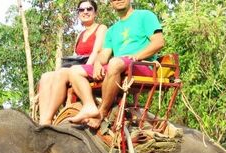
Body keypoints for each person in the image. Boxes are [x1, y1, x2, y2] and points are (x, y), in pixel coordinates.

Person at [67, 0, 164, 128]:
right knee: (74, 70)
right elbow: (104, 54)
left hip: (142, 64)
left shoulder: (145, 16)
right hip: (118, 65)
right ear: (111, 3)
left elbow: (158, 42)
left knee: (114, 62)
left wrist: (137, 57)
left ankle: (102, 113)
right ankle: (89, 105)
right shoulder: (112, 30)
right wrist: (97, 63)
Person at [37, 0, 107, 125]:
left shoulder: (101, 28)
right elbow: (75, 56)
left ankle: (48, 118)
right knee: (46, 76)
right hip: (76, 67)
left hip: (89, 67)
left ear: (95, 12)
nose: (85, 12)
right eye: (81, 10)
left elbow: (96, 52)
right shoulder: (80, 34)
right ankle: (43, 120)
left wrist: (84, 68)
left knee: (62, 73)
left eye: (89, 9)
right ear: (78, 13)